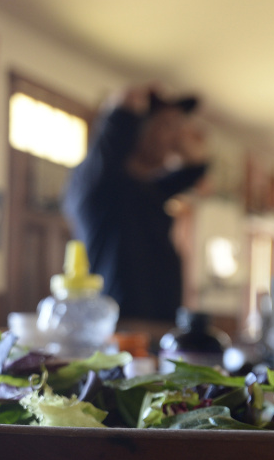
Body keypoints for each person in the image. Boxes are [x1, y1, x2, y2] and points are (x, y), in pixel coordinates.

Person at [62, 84, 209, 322]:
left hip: (161, 330)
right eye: (167, 126)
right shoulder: (99, 185)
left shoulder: (152, 189)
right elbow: (120, 115)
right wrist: (135, 101)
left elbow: (196, 167)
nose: (176, 136)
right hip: (117, 332)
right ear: (135, 129)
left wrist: (174, 130)